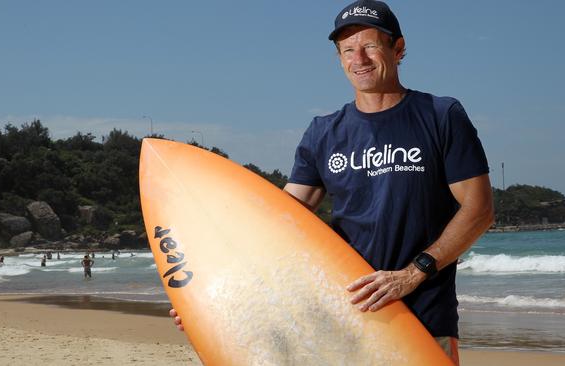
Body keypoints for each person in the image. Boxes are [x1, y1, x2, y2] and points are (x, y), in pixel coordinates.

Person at [171, 1, 493, 363]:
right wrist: (211, 297)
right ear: (339, 58)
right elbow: (275, 228)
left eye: (370, 46)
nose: (360, 58)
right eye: (347, 50)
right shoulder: (323, 133)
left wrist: (412, 273)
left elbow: (479, 210)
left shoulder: (440, 115)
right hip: (339, 320)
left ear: (398, 49)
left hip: (421, 317)